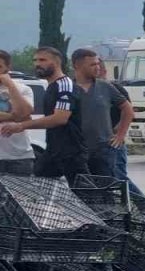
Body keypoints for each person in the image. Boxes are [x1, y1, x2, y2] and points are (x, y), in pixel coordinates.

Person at [0, 46, 88, 181]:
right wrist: (15, 119)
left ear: (57, 62)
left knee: (85, 192)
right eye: (35, 60)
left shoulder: (64, 85)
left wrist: (21, 125)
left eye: (42, 60)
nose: (37, 64)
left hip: (70, 151)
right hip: (53, 149)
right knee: (41, 183)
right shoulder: (51, 86)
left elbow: (60, 118)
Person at [70, 47, 132, 183]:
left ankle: (143, 203)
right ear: (76, 65)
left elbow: (127, 109)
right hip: (78, 150)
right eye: (92, 64)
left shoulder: (105, 87)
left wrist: (120, 135)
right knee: (83, 189)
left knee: (108, 188)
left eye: (97, 63)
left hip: (103, 149)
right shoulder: (68, 88)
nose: (97, 67)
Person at [96, 57, 144, 197]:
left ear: (103, 70)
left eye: (97, 67)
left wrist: (118, 132)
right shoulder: (88, 90)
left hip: (114, 141)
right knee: (107, 179)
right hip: (98, 142)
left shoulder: (114, 88)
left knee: (119, 177)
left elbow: (129, 111)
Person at [0, 49, 37, 175]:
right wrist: (15, 116)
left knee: (21, 195)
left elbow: (26, 112)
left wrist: (10, 85)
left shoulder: (23, 89)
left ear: (8, 67)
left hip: (19, 158)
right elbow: (22, 116)